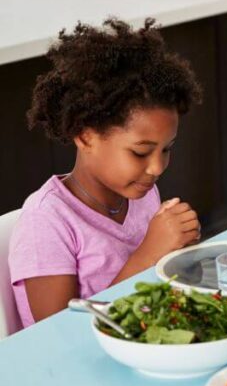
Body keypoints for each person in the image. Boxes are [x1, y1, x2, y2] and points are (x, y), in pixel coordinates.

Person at [9, 19, 203, 327]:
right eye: (140, 152)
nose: (156, 168)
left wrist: (176, 255)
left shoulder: (141, 193)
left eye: (166, 149)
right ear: (86, 137)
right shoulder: (46, 222)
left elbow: (153, 295)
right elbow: (59, 335)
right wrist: (148, 255)